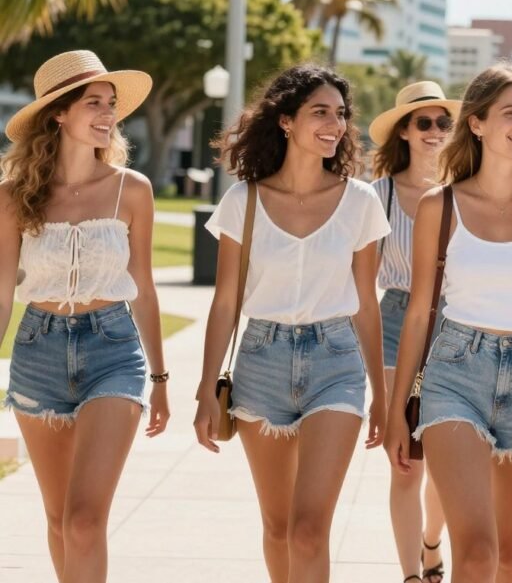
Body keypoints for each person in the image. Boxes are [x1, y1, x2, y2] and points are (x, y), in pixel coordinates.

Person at [383, 63, 512, 583]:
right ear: (477, 123)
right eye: (511, 113)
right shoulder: (442, 204)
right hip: (456, 373)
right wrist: (395, 412)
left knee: (509, 555)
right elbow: (417, 314)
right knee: (476, 552)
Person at [193, 64, 389, 583]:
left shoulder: (360, 201)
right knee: (279, 527)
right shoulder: (244, 200)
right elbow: (225, 301)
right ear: (285, 121)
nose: (335, 124)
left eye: (341, 114)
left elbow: (366, 304)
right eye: (320, 112)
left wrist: (384, 397)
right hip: (261, 361)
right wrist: (203, 391)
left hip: (337, 362)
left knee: (308, 530)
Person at [0, 50, 169, 582]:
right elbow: (3, 290)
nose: (107, 114)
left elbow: (143, 289)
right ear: (58, 114)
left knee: (83, 519)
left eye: (111, 105)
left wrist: (160, 378)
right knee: (58, 517)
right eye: (93, 102)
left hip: (113, 351)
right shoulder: (13, 197)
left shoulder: (131, 189)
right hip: (37, 351)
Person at [368, 80, 461, 583]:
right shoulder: (376, 195)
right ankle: (409, 574)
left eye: (443, 122)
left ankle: (431, 542)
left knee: (447, 461)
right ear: (403, 130)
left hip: (456, 323)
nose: (434, 131)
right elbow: (359, 283)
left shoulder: (467, 189)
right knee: (404, 458)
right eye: (422, 122)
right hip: (396, 318)